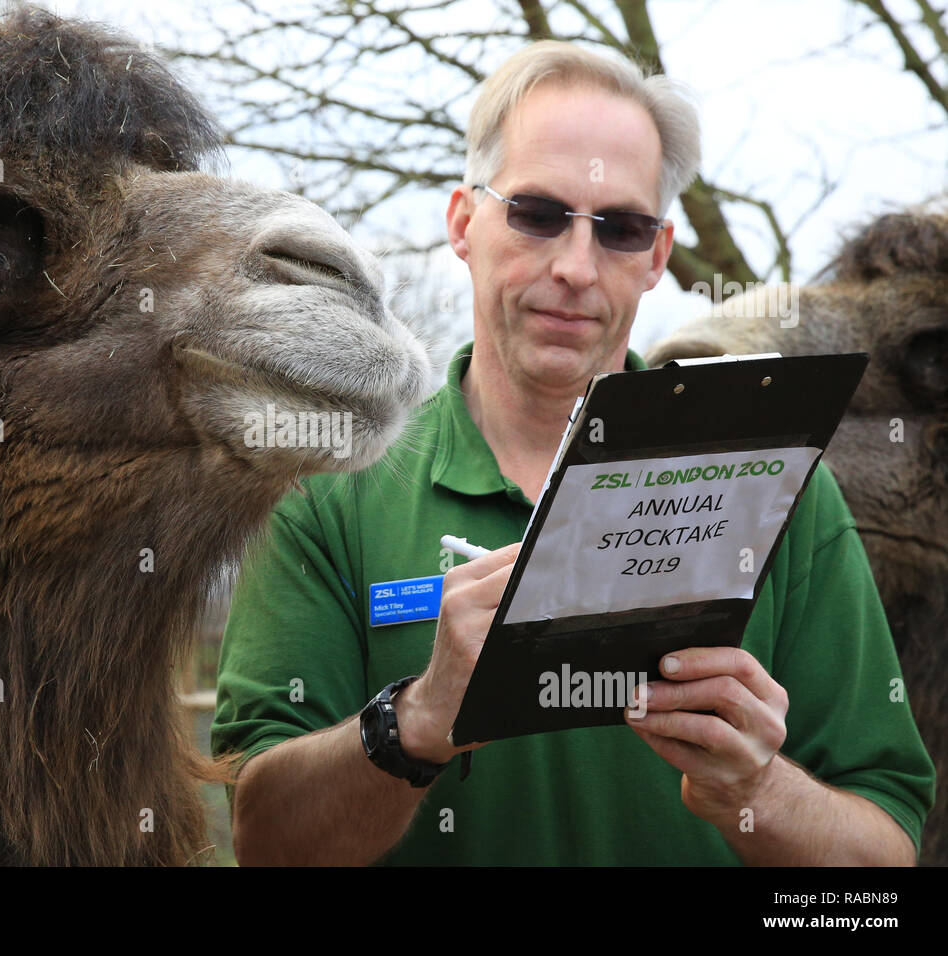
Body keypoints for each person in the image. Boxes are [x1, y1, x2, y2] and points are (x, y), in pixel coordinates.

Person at [210, 41, 935, 865]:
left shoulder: (781, 486)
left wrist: (756, 791)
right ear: (462, 222)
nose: (575, 267)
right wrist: (416, 720)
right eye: (537, 213)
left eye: (621, 229)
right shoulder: (327, 487)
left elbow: (885, 858)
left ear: (658, 255)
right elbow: (264, 841)